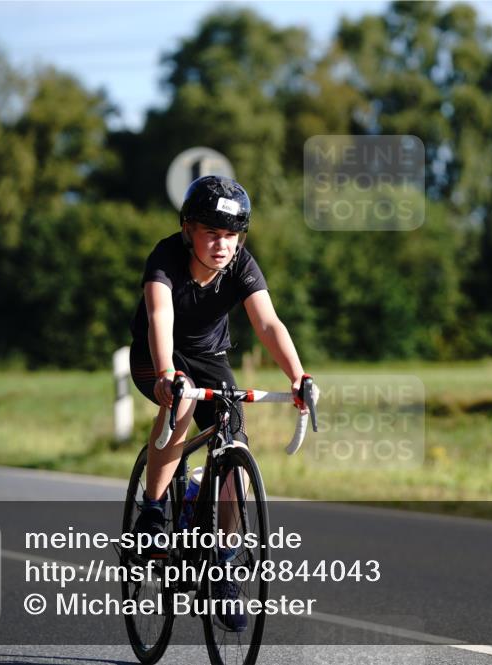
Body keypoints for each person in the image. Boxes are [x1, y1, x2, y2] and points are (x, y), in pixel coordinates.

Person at [128, 175, 309, 631]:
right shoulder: (166, 257)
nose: (222, 245)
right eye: (211, 233)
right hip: (157, 355)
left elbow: (268, 323)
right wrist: (166, 373)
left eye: (231, 235)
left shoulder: (241, 264)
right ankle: (152, 511)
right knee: (182, 403)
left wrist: (298, 376)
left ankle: (223, 567)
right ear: (188, 229)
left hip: (210, 358)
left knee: (236, 447)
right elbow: (159, 315)